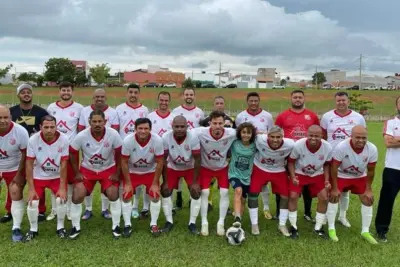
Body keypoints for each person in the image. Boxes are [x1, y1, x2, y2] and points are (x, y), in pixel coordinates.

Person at [69, 109, 122, 239]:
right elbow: (72, 152)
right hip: (88, 169)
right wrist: (76, 172)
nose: (97, 124)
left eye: (100, 121)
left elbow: (121, 154)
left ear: (105, 121)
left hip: (107, 169)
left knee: (113, 194)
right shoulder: (82, 135)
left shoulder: (113, 134)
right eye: (94, 121)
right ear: (89, 122)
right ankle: (75, 226)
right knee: (77, 195)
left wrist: (116, 172)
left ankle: (116, 225)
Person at [320, 91, 366, 228]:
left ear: (348, 101)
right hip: (331, 157)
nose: (341, 103)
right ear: (335, 101)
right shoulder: (327, 116)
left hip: (349, 159)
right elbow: (322, 136)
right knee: (329, 187)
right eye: (338, 100)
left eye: (343, 100)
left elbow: (362, 136)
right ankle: (326, 216)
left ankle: (342, 216)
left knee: (344, 190)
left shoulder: (358, 117)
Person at [326, 125, 378, 244]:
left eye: (364, 138)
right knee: (334, 197)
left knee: (368, 199)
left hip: (359, 176)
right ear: (351, 136)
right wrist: (334, 188)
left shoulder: (372, 148)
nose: (361, 140)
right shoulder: (342, 147)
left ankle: (365, 231)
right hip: (341, 175)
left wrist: (368, 189)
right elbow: (334, 168)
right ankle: (331, 228)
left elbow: (371, 170)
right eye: (357, 137)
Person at [275, 90, 320, 222]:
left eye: (300, 97)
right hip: (287, 155)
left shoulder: (312, 116)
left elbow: (318, 133)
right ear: (291, 99)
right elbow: (275, 134)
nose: (297, 99)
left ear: (304, 99)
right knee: (282, 182)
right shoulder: (283, 116)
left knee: (306, 183)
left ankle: (307, 212)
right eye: (295, 97)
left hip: (306, 154)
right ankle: (279, 211)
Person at [23, 115, 69, 242]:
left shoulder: (64, 139)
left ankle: (60, 227)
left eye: (52, 127)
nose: (49, 130)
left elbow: (64, 164)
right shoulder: (33, 140)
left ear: (56, 127)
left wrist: (62, 187)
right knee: (33, 201)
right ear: (40, 127)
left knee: (61, 200)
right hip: (39, 176)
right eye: (46, 127)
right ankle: (33, 229)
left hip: (56, 176)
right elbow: (29, 164)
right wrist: (31, 188)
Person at [8, 84, 48, 223]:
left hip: (36, 151)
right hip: (16, 152)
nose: (26, 94)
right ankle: (10, 210)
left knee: (38, 180)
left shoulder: (42, 112)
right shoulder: (11, 112)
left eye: (29, 92)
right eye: (23, 92)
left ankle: (41, 210)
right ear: (18, 95)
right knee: (14, 181)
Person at [78, 88, 120, 221]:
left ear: (105, 98)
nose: (99, 99)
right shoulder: (84, 111)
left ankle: (105, 209)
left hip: (106, 151)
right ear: (93, 98)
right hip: (89, 152)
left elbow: (115, 130)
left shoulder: (113, 112)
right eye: (97, 97)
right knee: (86, 185)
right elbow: (80, 130)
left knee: (107, 184)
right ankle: (88, 209)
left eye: (102, 96)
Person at [194, 110, 236, 236]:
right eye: (214, 123)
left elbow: (248, 133)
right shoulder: (200, 131)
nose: (217, 126)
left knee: (224, 192)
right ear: (209, 123)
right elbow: (184, 132)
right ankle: (204, 222)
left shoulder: (231, 133)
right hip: (205, 167)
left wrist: (262, 134)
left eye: (220, 123)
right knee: (205, 193)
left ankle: (221, 223)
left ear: (225, 123)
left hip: (222, 168)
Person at [46, 81, 83, 221]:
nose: (65, 93)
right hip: (54, 149)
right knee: (54, 178)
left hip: (71, 150)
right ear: (59, 91)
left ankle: (68, 209)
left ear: (72, 92)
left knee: (70, 181)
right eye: (63, 90)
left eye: (68, 90)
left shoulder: (79, 108)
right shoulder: (51, 107)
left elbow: (81, 129)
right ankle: (54, 210)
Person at [120, 118, 164, 237]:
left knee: (155, 196)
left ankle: (153, 224)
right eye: (140, 128)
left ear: (150, 129)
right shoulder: (128, 140)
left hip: (150, 172)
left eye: (146, 128)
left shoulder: (157, 140)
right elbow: (123, 162)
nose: (143, 131)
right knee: (126, 195)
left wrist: (155, 183)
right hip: (133, 172)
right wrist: (128, 183)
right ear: (135, 129)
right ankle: (128, 225)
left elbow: (160, 162)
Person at [287, 125, 332, 239]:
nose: (313, 138)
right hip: (299, 173)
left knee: (324, 197)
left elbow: (327, 164)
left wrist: (326, 180)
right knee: (293, 196)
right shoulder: (299, 145)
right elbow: (291, 162)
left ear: (322, 136)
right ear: (307, 135)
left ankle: (318, 227)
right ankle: (293, 226)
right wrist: (293, 177)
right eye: (311, 135)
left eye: (317, 136)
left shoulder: (327, 147)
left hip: (317, 174)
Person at [248, 126, 294, 236]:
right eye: (272, 137)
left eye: (278, 137)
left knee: (285, 196)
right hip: (260, 167)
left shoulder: (291, 144)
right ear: (267, 136)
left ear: (283, 137)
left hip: (278, 170)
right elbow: (244, 134)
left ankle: (282, 224)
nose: (275, 140)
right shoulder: (259, 139)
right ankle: (254, 223)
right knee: (253, 193)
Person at [235, 92, 274, 219]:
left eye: (256, 101)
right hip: (246, 153)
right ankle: (240, 205)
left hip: (262, 153)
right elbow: (238, 135)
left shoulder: (267, 116)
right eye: (251, 101)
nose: (253, 103)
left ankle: (266, 208)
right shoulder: (241, 116)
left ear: (259, 101)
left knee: (262, 183)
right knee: (243, 180)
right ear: (247, 101)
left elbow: (271, 134)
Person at [161, 116, 202, 234]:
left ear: (187, 127)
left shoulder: (193, 137)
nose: (179, 129)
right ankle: (169, 221)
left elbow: (198, 160)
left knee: (196, 191)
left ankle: (192, 223)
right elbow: (163, 159)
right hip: (172, 167)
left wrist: (194, 182)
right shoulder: (165, 137)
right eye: (176, 126)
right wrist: (165, 181)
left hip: (189, 168)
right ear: (172, 126)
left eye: (182, 126)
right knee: (166, 190)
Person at [116, 83, 149, 219]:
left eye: (136, 92)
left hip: (140, 150)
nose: (133, 95)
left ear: (139, 94)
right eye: (131, 92)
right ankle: (121, 206)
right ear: (127, 93)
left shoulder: (145, 109)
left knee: (140, 180)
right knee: (124, 179)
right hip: (125, 150)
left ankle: (136, 206)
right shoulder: (119, 108)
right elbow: (117, 129)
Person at [0, 105, 29, 242]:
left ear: (11, 117)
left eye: (6, 117)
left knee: (15, 191)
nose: (3, 121)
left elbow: (25, 154)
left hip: (14, 167)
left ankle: (16, 228)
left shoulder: (20, 131)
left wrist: (19, 174)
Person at [201, 96, 235, 211]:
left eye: (221, 103)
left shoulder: (230, 120)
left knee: (224, 184)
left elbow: (234, 136)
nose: (219, 105)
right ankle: (209, 201)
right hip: (209, 154)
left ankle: (225, 205)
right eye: (217, 103)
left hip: (225, 154)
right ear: (213, 105)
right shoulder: (205, 121)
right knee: (209, 182)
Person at [172, 88, 204, 210]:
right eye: (186, 94)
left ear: (194, 96)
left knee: (192, 170)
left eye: (191, 94)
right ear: (183, 96)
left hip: (193, 145)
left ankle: (192, 199)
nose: (188, 96)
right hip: (179, 144)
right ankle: (179, 197)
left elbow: (201, 129)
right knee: (178, 171)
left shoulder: (199, 112)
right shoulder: (176, 111)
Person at [375, 96, 400, 242]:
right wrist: (393, 140)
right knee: (387, 200)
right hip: (393, 168)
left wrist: (397, 138)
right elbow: (388, 142)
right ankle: (381, 229)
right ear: (397, 106)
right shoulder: (391, 122)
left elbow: (393, 140)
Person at [228, 122, 256, 228]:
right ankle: (237, 218)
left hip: (247, 176)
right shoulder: (234, 143)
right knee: (238, 190)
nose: (246, 135)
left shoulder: (255, 146)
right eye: (243, 132)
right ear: (240, 133)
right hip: (234, 174)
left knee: (243, 199)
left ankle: (238, 222)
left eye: (249, 133)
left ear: (252, 134)